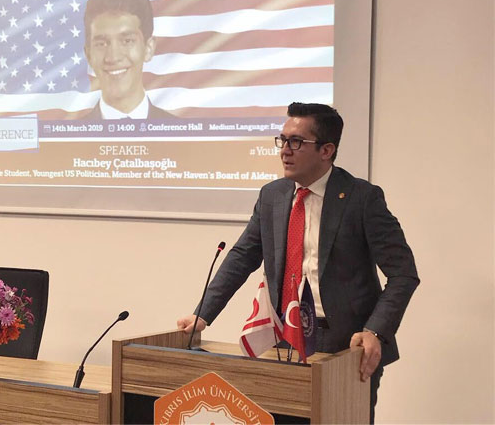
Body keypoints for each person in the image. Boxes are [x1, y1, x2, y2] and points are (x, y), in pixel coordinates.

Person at [177, 102, 419, 422]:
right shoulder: (272, 195)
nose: (285, 150)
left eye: (296, 142)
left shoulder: (361, 198)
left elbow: (403, 273)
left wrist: (375, 331)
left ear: (326, 150)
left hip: (345, 344)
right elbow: (243, 256)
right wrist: (203, 314)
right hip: (284, 337)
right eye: (283, 140)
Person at [83, 0, 174, 119]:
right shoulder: (68, 133)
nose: (113, 57)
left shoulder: (185, 131)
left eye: (127, 41)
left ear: (148, 48)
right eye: (102, 44)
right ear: (88, 54)